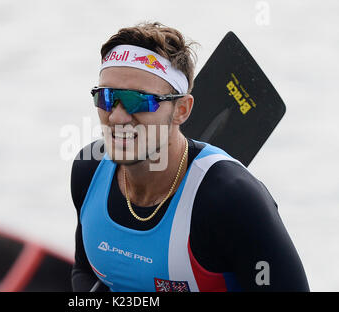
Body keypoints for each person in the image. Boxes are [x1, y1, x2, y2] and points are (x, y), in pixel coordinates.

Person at [70, 22, 309, 292]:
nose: (117, 116)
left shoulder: (233, 200)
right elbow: (84, 271)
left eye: (139, 100)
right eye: (106, 97)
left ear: (182, 109)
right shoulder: (88, 170)